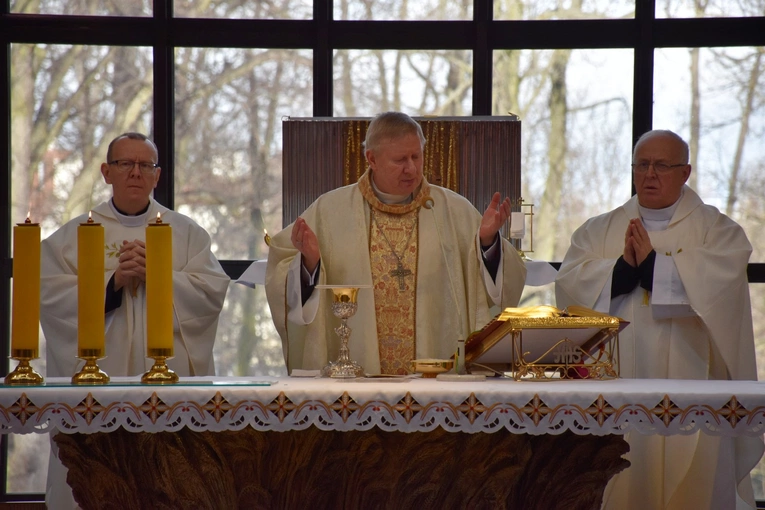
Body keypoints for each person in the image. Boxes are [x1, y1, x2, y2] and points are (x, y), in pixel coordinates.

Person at [555, 129, 763, 510]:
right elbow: (570, 288)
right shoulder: (598, 230)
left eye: (662, 165)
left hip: (694, 386)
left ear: (685, 172)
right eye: (642, 165)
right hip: (615, 391)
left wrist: (654, 267)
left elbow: (721, 290)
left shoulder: (716, 231)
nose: (650, 174)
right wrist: (620, 272)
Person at [40, 132, 230, 509]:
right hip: (98, 388)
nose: (136, 173)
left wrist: (159, 276)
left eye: (146, 165)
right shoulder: (74, 234)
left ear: (157, 176)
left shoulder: (187, 233)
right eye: (126, 164)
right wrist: (112, 284)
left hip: (166, 389)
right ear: (106, 172)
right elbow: (48, 297)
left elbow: (210, 295)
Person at [266, 111, 526, 375]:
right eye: (400, 159)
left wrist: (487, 243)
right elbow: (280, 265)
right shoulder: (330, 211)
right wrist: (309, 263)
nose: (411, 168)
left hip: (436, 388)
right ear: (372, 159)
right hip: (357, 389)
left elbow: (495, 292)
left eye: (417, 156)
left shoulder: (453, 210)